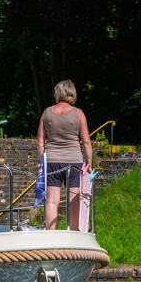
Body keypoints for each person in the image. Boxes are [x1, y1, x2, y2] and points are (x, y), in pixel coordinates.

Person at [36, 79, 92, 230]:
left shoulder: (46, 113)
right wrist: (89, 163)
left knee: (51, 201)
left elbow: (40, 141)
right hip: (74, 162)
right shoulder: (78, 113)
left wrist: (44, 160)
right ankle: (74, 233)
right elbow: (86, 142)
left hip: (52, 162)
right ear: (72, 94)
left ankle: (51, 236)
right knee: (74, 200)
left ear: (58, 93)